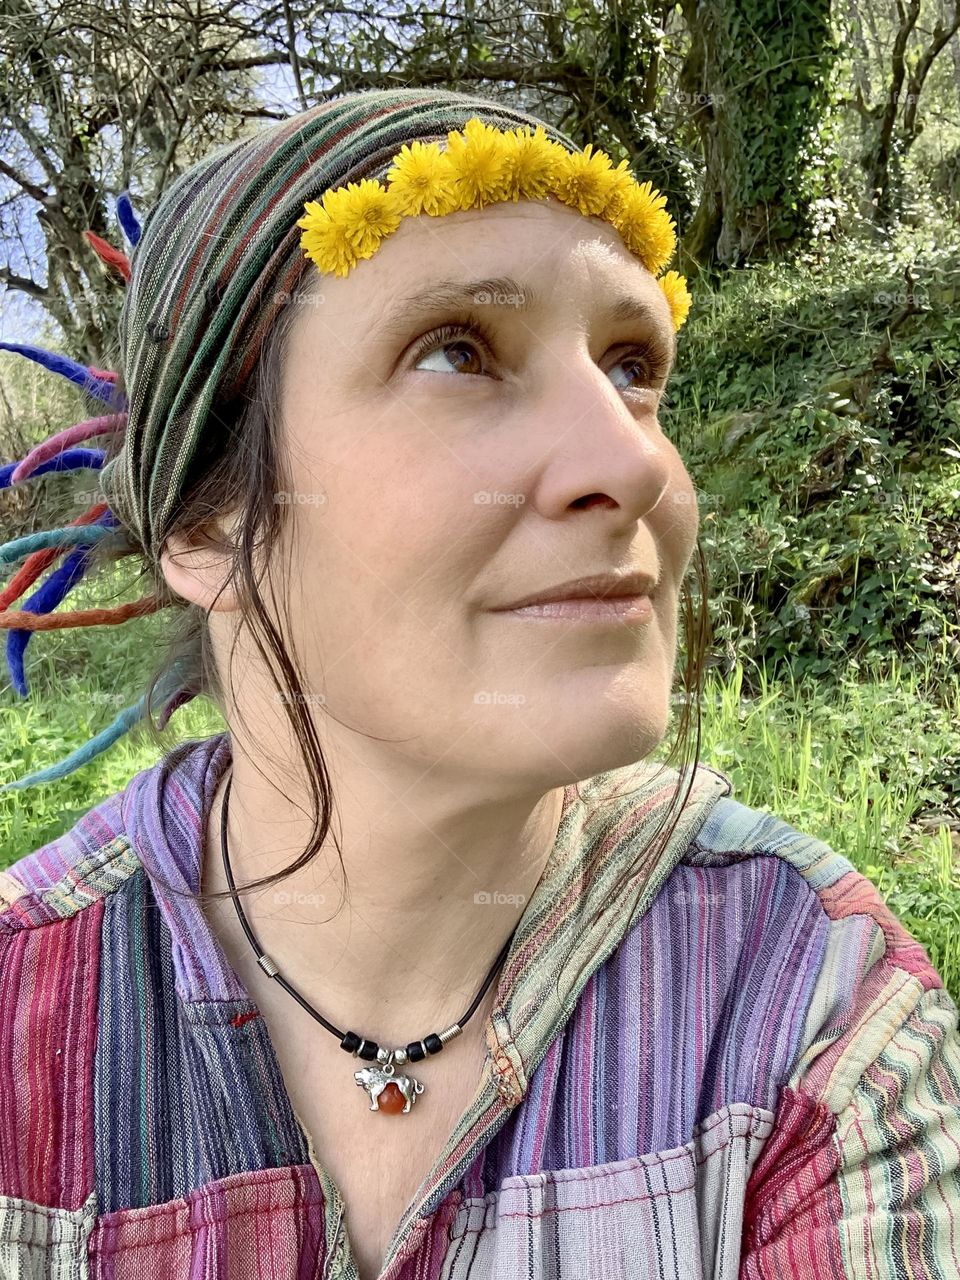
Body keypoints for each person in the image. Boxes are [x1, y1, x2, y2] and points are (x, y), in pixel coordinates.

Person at [0, 86, 958, 1280]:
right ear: (204, 527)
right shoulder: (20, 1019)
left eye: (631, 365)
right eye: (459, 350)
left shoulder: (805, 1006)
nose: (636, 457)